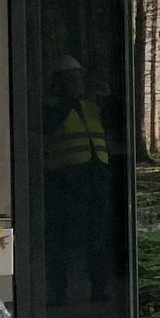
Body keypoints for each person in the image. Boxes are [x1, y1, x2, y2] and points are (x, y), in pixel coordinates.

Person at [42, 55, 112, 302]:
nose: (77, 82)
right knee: (60, 236)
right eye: (71, 78)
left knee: (97, 236)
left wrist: (105, 96)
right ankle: (59, 291)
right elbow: (50, 127)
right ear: (59, 82)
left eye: (79, 77)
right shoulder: (50, 108)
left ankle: (99, 288)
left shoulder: (91, 107)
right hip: (63, 180)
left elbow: (113, 119)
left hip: (95, 177)